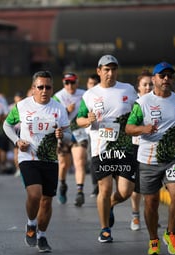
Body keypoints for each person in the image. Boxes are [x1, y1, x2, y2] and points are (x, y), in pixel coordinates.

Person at [125, 61, 175, 255]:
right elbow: (129, 128)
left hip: (173, 158)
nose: (166, 79)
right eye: (162, 76)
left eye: (169, 76)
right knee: (151, 202)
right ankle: (153, 239)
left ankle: (170, 234)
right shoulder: (142, 103)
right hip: (148, 160)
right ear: (154, 79)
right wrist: (143, 129)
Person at [3, 70, 71, 253]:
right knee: (35, 194)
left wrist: (63, 135)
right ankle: (31, 223)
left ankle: (42, 236)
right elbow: (6, 125)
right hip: (28, 157)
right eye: (40, 87)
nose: (44, 90)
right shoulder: (22, 106)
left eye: (48, 87)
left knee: (47, 201)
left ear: (52, 88)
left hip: (50, 159)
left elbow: (69, 135)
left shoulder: (58, 108)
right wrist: (17, 141)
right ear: (33, 88)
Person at [76, 55, 137, 243]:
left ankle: (110, 204)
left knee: (126, 191)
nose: (110, 73)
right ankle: (104, 229)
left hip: (124, 148)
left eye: (113, 69)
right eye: (106, 69)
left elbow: (139, 110)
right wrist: (88, 120)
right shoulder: (89, 95)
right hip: (101, 149)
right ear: (99, 71)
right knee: (105, 187)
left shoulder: (128, 89)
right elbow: (78, 120)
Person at [53, 72, 88, 207]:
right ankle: (62, 185)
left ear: (77, 83)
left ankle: (80, 191)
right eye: (67, 83)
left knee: (79, 161)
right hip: (63, 133)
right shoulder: (58, 96)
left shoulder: (84, 94)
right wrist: (66, 111)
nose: (70, 85)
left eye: (72, 82)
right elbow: (53, 116)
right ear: (63, 83)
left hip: (79, 131)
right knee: (63, 164)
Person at [129, 69, 153, 231]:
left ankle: (152, 216)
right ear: (138, 87)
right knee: (136, 185)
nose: (148, 87)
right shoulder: (133, 103)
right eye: (145, 85)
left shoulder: (157, 102)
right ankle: (136, 215)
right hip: (136, 146)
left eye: (150, 84)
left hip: (153, 147)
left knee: (152, 185)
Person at [86, 73, 100, 198]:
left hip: (107, 133)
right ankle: (96, 186)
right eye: (90, 84)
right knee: (92, 159)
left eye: (95, 84)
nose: (93, 86)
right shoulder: (85, 97)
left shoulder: (104, 95)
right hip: (90, 133)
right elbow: (79, 118)